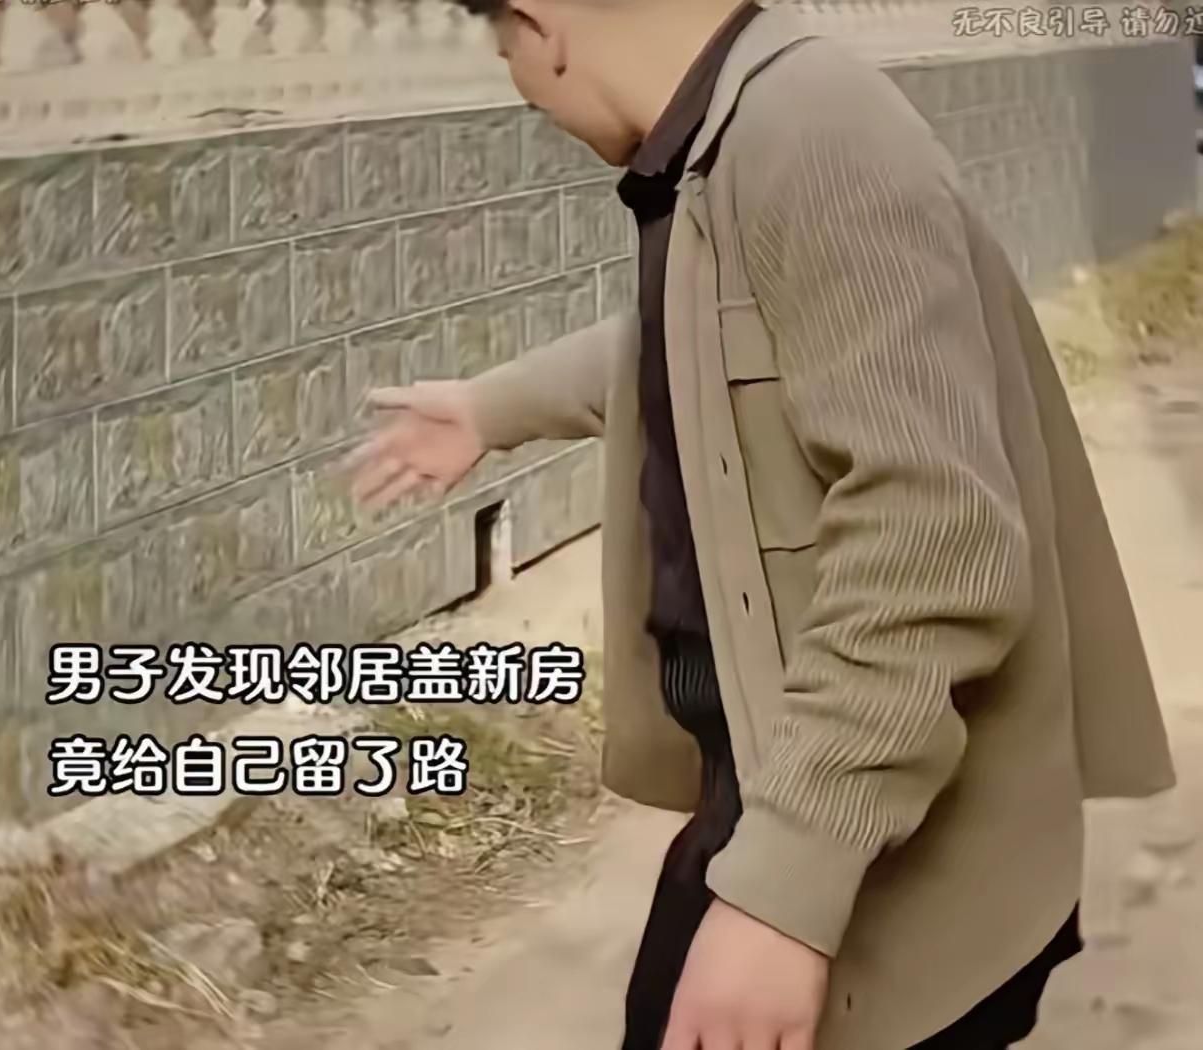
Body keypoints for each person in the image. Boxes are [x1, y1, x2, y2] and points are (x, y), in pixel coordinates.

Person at [348, 1, 1177, 1047]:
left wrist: (784, 893)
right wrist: (491, 409)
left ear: (540, 25)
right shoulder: (737, 138)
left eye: (501, 45)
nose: (517, 78)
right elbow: (701, 336)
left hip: (881, 846)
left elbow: (935, 543)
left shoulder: (812, 133)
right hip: (777, 780)